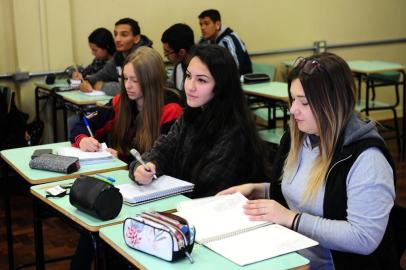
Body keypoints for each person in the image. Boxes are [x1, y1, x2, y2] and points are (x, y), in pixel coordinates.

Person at [219, 53, 398, 269]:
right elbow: (304, 195)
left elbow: (363, 238)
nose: (293, 110)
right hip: (291, 255)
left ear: (332, 103)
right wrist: (259, 190)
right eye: (293, 99)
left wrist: (291, 219)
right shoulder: (300, 137)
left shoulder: (367, 159)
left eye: (303, 102)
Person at [129, 45, 269, 198]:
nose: (190, 86)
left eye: (201, 80)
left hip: (221, 212)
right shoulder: (192, 114)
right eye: (188, 76)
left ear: (221, 86)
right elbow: (163, 150)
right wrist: (144, 167)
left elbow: (205, 188)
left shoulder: (233, 129)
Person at [69, 46, 183, 163]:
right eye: (125, 78)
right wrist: (83, 140)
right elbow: (83, 123)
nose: (127, 85)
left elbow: (161, 162)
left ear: (151, 81)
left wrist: (123, 160)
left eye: (135, 80)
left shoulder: (171, 111)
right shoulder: (120, 102)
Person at [79, 18, 153, 96]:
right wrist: (86, 82)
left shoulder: (146, 58)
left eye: (124, 35)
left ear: (136, 39)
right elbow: (101, 75)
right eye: (115, 34)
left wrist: (103, 86)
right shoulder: (119, 56)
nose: (117, 39)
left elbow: (137, 88)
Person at [198, 9, 252, 75]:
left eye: (206, 24)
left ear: (217, 25)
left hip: (241, 82)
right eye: (201, 24)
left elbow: (233, 68)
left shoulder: (230, 39)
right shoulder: (204, 40)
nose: (202, 28)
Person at [161, 23, 194, 92]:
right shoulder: (178, 66)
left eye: (167, 52)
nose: (165, 55)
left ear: (181, 52)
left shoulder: (201, 71)